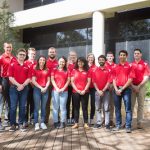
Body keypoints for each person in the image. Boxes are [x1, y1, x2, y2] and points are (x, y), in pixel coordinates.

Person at [112, 50, 135, 133]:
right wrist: (116, 89)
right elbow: (113, 79)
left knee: (128, 109)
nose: (122, 56)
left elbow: (130, 79)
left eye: (124, 55)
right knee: (117, 108)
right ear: (118, 56)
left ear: (126, 56)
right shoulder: (115, 67)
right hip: (116, 89)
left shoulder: (130, 66)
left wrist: (122, 89)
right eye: (120, 55)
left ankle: (128, 126)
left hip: (126, 90)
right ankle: (118, 125)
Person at [9, 48, 30, 132]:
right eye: (20, 54)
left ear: (25, 56)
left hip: (24, 88)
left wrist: (23, 85)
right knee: (13, 107)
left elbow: (29, 78)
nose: (22, 56)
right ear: (17, 55)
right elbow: (10, 77)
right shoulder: (12, 65)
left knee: (22, 107)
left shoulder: (27, 66)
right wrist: (18, 85)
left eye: (23, 55)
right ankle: (13, 124)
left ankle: (20, 124)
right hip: (14, 88)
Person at [131, 48, 149, 129]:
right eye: (135, 53)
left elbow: (146, 77)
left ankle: (139, 122)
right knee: (131, 105)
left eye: (138, 53)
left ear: (141, 54)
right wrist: (133, 86)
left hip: (141, 87)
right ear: (133, 55)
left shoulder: (145, 64)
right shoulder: (131, 65)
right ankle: (129, 122)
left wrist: (138, 86)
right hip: (132, 87)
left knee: (141, 105)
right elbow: (128, 78)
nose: (136, 54)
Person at [71, 57, 91, 129]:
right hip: (75, 92)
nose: (80, 63)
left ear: (84, 63)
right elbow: (72, 82)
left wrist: (84, 90)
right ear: (77, 62)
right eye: (79, 62)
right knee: (76, 108)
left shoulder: (87, 71)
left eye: (82, 62)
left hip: (85, 92)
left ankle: (86, 123)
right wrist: (77, 90)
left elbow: (88, 82)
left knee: (84, 108)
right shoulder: (74, 71)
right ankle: (76, 123)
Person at [0, 42, 16, 130]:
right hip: (4, 80)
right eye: (7, 47)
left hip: (12, 81)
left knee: (10, 102)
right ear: (4, 48)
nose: (8, 49)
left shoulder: (14, 58)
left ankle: (8, 119)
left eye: (10, 47)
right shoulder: (1, 58)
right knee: (1, 102)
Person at [51, 56, 70, 128]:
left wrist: (63, 88)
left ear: (65, 63)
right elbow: (52, 80)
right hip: (55, 91)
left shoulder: (67, 70)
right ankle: (56, 122)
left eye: (63, 62)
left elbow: (68, 80)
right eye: (60, 61)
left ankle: (62, 122)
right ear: (58, 62)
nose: (61, 63)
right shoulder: (54, 70)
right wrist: (57, 88)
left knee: (63, 107)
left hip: (64, 91)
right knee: (55, 107)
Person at [32, 56, 50, 131]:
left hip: (45, 89)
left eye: (43, 60)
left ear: (45, 61)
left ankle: (42, 122)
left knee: (43, 107)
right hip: (37, 89)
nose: (42, 61)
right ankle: (36, 123)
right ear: (38, 61)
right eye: (40, 60)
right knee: (36, 107)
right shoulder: (35, 69)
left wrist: (45, 87)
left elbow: (49, 80)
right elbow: (33, 80)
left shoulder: (47, 69)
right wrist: (41, 88)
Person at [93, 55, 110, 130]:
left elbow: (109, 81)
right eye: (100, 60)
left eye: (102, 59)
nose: (101, 61)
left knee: (106, 108)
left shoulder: (108, 70)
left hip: (106, 91)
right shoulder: (95, 70)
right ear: (98, 61)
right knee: (98, 108)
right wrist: (98, 90)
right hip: (97, 92)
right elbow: (94, 81)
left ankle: (107, 123)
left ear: (105, 60)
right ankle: (99, 122)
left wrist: (103, 90)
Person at [45, 47, 58, 124]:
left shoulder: (59, 62)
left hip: (56, 85)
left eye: (53, 52)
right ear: (48, 53)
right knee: (47, 103)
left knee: (56, 103)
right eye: (50, 52)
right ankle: (46, 119)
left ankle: (57, 119)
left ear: (55, 53)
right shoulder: (45, 62)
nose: (52, 53)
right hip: (47, 85)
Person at [25, 48, 37, 126]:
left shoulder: (37, 63)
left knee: (33, 102)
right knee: (26, 104)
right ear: (28, 54)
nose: (32, 55)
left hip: (35, 86)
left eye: (34, 54)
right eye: (31, 54)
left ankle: (32, 118)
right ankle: (25, 120)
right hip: (26, 86)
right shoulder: (25, 63)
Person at [105, 51, 116, 127]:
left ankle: (111, 120)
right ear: (106, 57)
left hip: (113, 87)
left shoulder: (116, 65)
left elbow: (117, 76)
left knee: (112, 104)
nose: (110, 57)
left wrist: (112, 84)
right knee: (105, 105)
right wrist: (107, 84)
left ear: (113, 57)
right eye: (108, 56)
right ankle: (105, 119)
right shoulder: (103, 65)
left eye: (111, 56)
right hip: (105, 87)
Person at [66, 50, 77, 125]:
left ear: (76, 56)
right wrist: (69, 83)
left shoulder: (77, 64)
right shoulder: (66, 64)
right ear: (69, 56)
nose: (72, 57)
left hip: (75, 87)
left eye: (74, 56)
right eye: (71, 55)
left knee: (74, 103)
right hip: (67, 86)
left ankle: (73, 118)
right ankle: (67, 118)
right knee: (67, 102)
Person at [87, 53, 97, 125]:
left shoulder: (96, 67)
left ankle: (91, 118)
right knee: (85, 104)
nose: (91, 59)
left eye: (92, 57)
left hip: (93, 88)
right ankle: (86, 119)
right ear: (87, 58)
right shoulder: (85, 67)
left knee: (93, 104)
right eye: (89, 57)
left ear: (94, 59)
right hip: (86, 88)